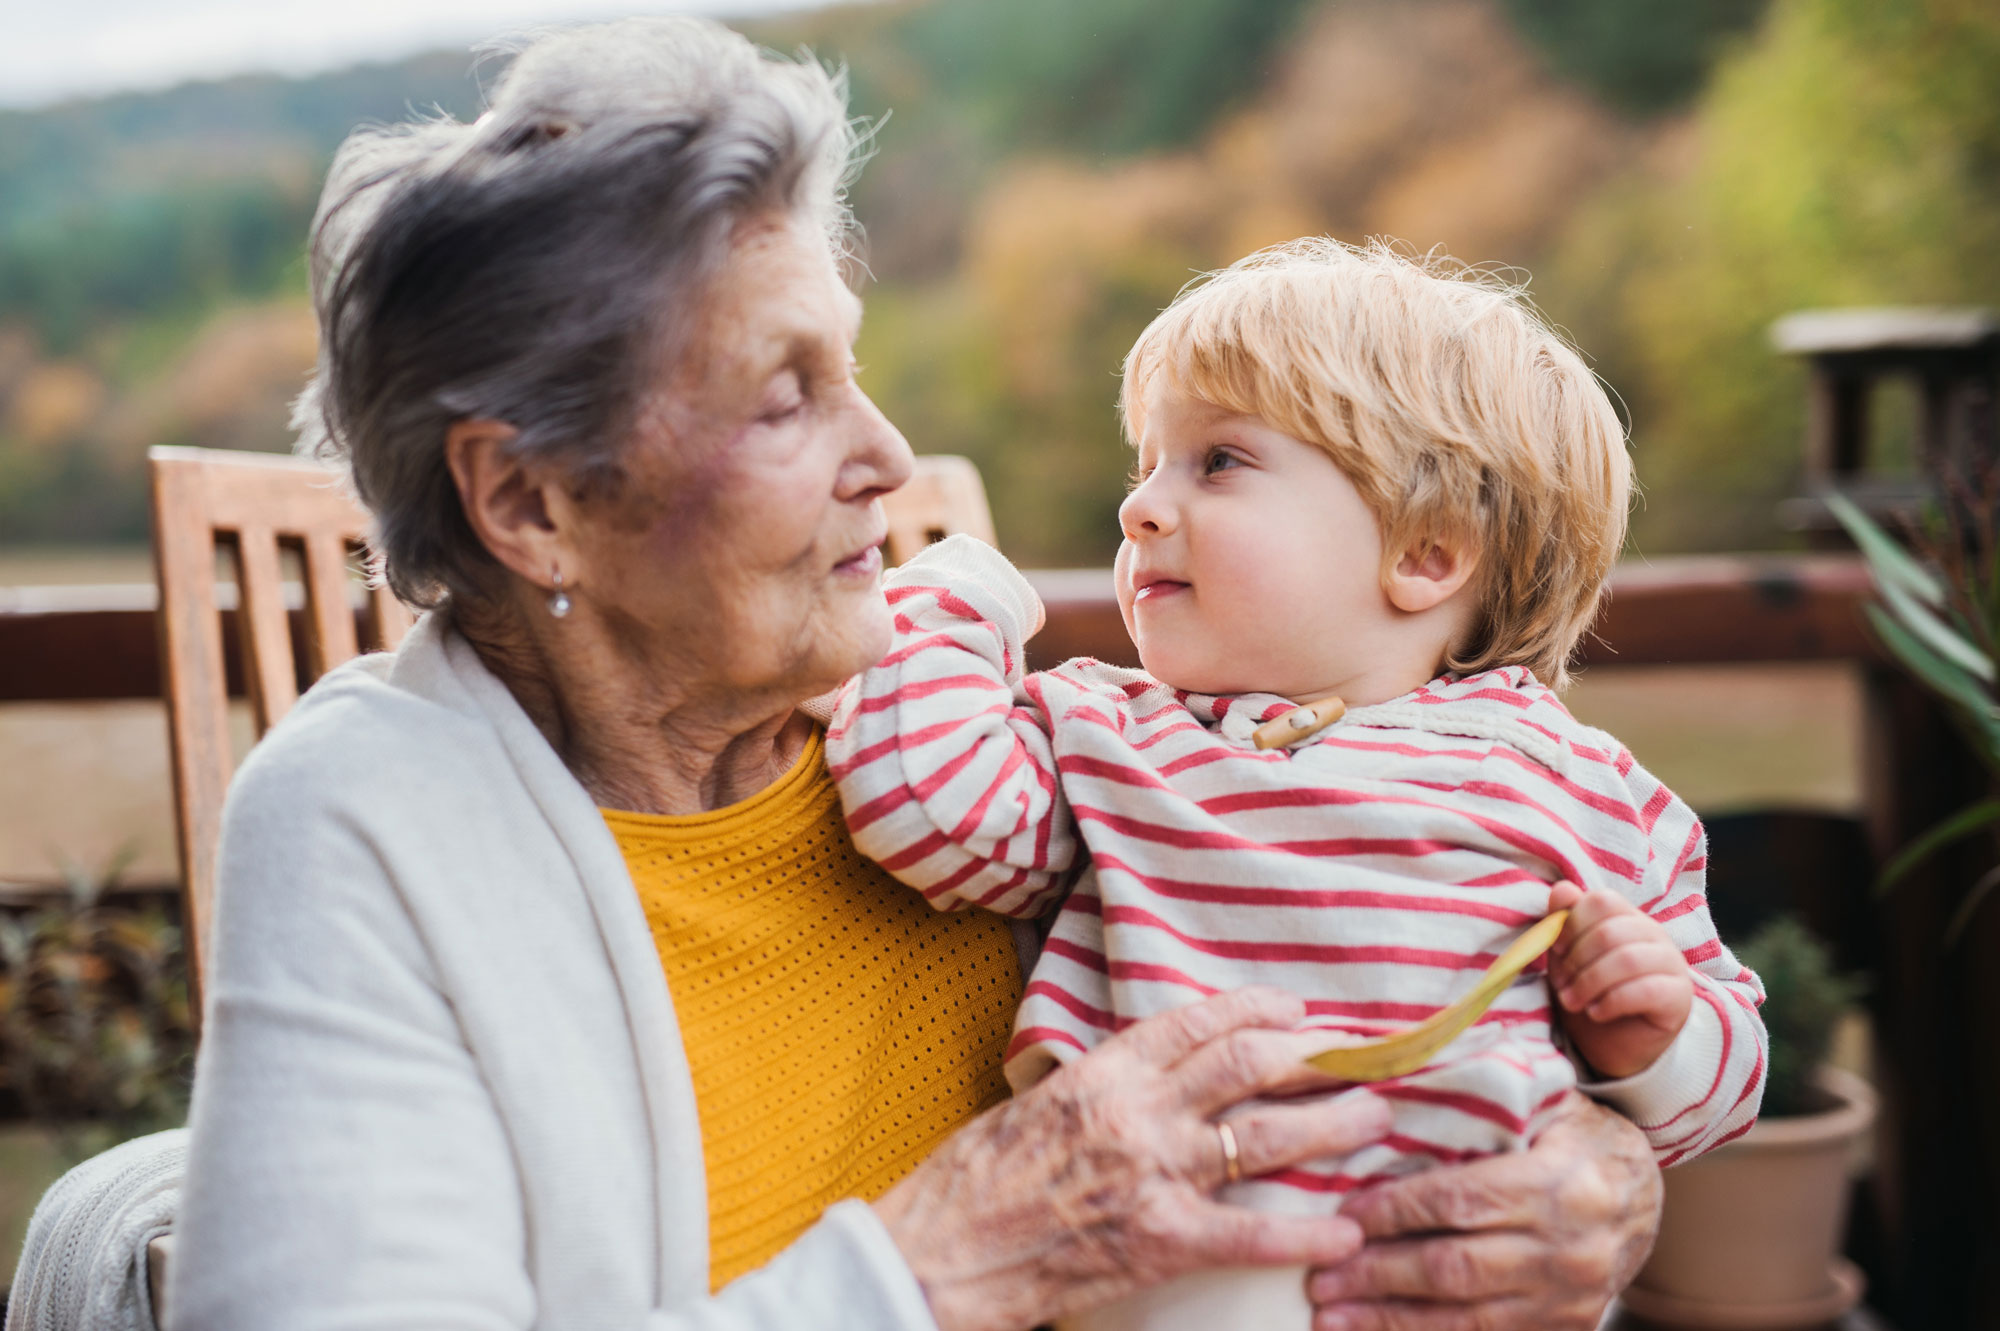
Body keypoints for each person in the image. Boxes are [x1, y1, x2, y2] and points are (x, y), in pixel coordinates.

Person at [168, 21, 1668, 1331]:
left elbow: (1382, 943)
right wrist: (939, 1262)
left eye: (856, 368)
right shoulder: (370, 816)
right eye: (785, 397)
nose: (885, 459)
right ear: (532, 502)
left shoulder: (982, 730)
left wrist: (1593, 1168)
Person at [828, 239, 1768, 1329]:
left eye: (1216, 461)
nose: (1139, 508)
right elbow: (922, 804)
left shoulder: (1579, 779)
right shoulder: (1110, 733)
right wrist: (951, 591)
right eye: (1148, 464)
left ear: (1424, 553)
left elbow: (1726, 1082)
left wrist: (1656, 1039)